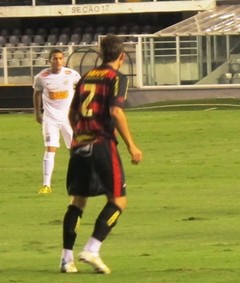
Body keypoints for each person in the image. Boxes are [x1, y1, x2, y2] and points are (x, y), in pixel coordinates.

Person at [60, 34, 143, 274]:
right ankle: (92, 249)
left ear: (100, 54)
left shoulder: (86, 76)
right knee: (118, 199)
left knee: (77, 200)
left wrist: (80, 134)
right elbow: (116, 112)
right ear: (122, 57)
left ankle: (66, 259)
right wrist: (131, 145)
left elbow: (72, 113)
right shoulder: (116, 78)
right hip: (102, 144)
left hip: (79, 145)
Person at [33, 49, 81, 194]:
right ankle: (46, 185)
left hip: (68, 118)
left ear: (63, 60)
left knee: (75, 149)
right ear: (49, 61)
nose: (58, 61)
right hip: (50, 118)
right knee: (50, 149)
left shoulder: (72, 74)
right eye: (55, 59)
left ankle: (78, 181)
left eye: (60, 58)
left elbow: (82, 90)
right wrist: (37, 112)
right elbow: (37, 93)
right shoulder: (41, 77)